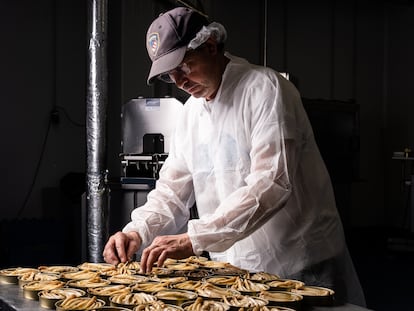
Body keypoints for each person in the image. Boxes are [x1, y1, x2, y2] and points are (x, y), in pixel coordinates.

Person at [103, 6, 366, 306]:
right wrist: (137, 231)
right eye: (169, 74)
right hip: (237, 267)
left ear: (211, 46)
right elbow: (171, 192)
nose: (179, 81)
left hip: (300, 262)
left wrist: (195, 238)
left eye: (185, 65)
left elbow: (271, 184)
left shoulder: (264, 90)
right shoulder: (191, 113)